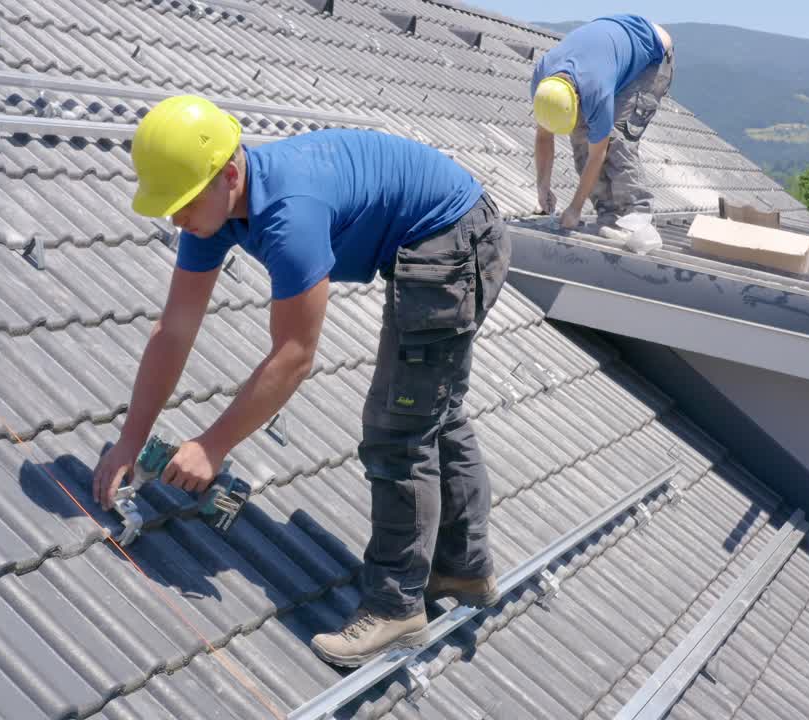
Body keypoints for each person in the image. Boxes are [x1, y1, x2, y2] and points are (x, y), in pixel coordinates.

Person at [92, 95, 511, 666]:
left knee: (398, 427)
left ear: (230, 173)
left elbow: (293, 356)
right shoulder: (214, 208)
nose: (176, 219)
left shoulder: (290, 215)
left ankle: (397, 607)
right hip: (447, 231)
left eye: (183, 203)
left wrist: (212, 446)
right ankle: (464, 571)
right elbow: (175, 330)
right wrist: (131, 437)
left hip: (452, 241)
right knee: (435, 410)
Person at [531, 14, 675, 234]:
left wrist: (575, 208)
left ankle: (638, 213)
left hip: (653, 54)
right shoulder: (543, 83)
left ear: (577, 100)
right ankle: (609, 215)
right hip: (610, 51)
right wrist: (542, 187)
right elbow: (543, 138)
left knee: (617, 136)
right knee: (580, 138)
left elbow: (597, 154)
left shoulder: (596, 89)